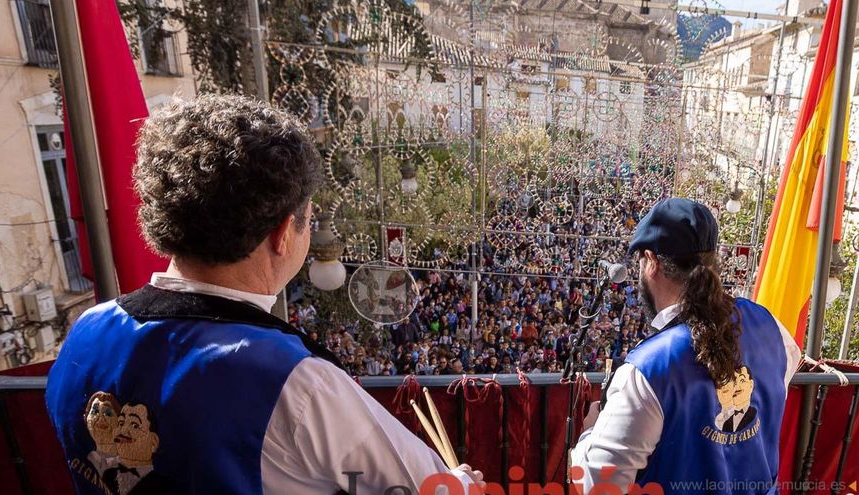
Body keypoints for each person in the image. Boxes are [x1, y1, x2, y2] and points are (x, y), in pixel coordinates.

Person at [45, 95, 483, 494]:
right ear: (281, 235)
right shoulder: (293, 382)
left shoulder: (85, 331)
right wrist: (462, 483)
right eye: (308, 220)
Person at [571, 198, 800, 494]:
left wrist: (590, 431)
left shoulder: (648, 370)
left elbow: (596, 486)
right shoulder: (772, 327)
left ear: (651, 262)